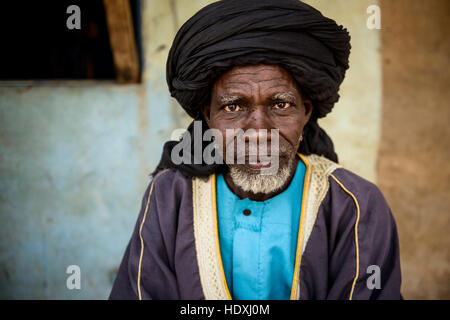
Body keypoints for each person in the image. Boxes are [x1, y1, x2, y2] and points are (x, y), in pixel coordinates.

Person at [109, 0, 402, 300]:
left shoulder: (356, 206)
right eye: (233, 106)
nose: (259, 132)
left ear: (306, 112)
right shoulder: (170, 195)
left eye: (280, 105)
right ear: (208, 116)